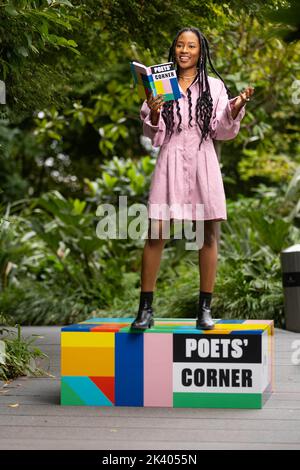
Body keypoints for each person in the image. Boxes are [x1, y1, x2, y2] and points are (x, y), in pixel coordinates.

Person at [130, 27, 254, 331]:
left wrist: (236, 106)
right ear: (174, 50)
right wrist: (156, 113)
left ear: (201, 52)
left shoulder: (213, 86)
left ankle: (205, 309)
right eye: (180, 45)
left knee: (207, 234)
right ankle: (145, 309)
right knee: (156, 232)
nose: (184, 50)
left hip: (202, 159)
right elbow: (154, 135)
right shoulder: (161, 82)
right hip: (171, 157)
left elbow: (221, 129)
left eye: (191, 46)